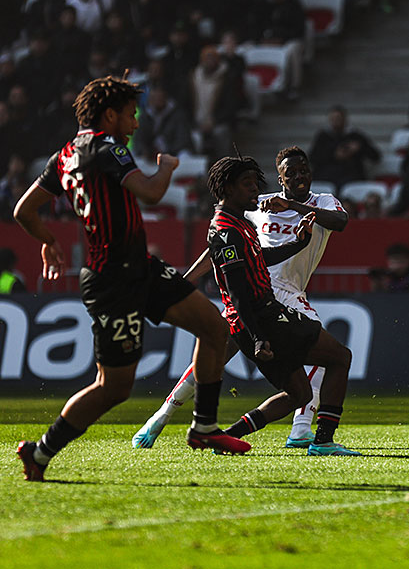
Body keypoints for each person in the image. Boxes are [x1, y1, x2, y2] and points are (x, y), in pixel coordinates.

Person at [13, 75, 249, 482]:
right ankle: (41, 451)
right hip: (112, 280)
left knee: (213, 327)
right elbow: (152, 193)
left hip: (139, 268)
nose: (135, 123)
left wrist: (47, 240)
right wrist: (167, 169)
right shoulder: (108, 148)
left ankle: (203, 426)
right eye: (130, 114)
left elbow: (23, 211)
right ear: (110, 115)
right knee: (114, 387)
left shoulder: (64, 155)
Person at [133, 147, 352, 451]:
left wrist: (291, 207)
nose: (300, 176)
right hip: (262, 293)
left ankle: (165, 418)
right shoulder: (255, 205)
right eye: (293, 173)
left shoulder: (321, 202)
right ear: (281, 177)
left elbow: (339, 221)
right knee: (328, 358)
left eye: (305, 171)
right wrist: (186, 281)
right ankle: (303, 432)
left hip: (278, 293)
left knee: (215, 360)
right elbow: (219, 247)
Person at [308, 105, 381, 190]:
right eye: (333, 118)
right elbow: (312, 158)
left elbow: (376, 156)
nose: (335, 121)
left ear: (345, 119)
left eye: (338, 118)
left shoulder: (356, 136)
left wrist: (359, 148)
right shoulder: (323, 137)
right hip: (327, 176)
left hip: (351, 176)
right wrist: (334, 155)